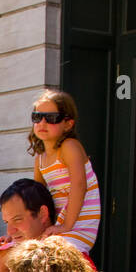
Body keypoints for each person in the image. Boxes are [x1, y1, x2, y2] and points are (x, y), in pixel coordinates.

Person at [27, 89, 100, 256]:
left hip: (78, 225)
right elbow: (38, 198)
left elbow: (79, 185)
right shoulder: (40, 159)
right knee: (12, 253)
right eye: (37, 117)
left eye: (51, 118)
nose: (42, 123)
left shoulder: (70, 147)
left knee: (40, 257)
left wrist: (66, 225)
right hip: (57, 226)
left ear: (67, 124)